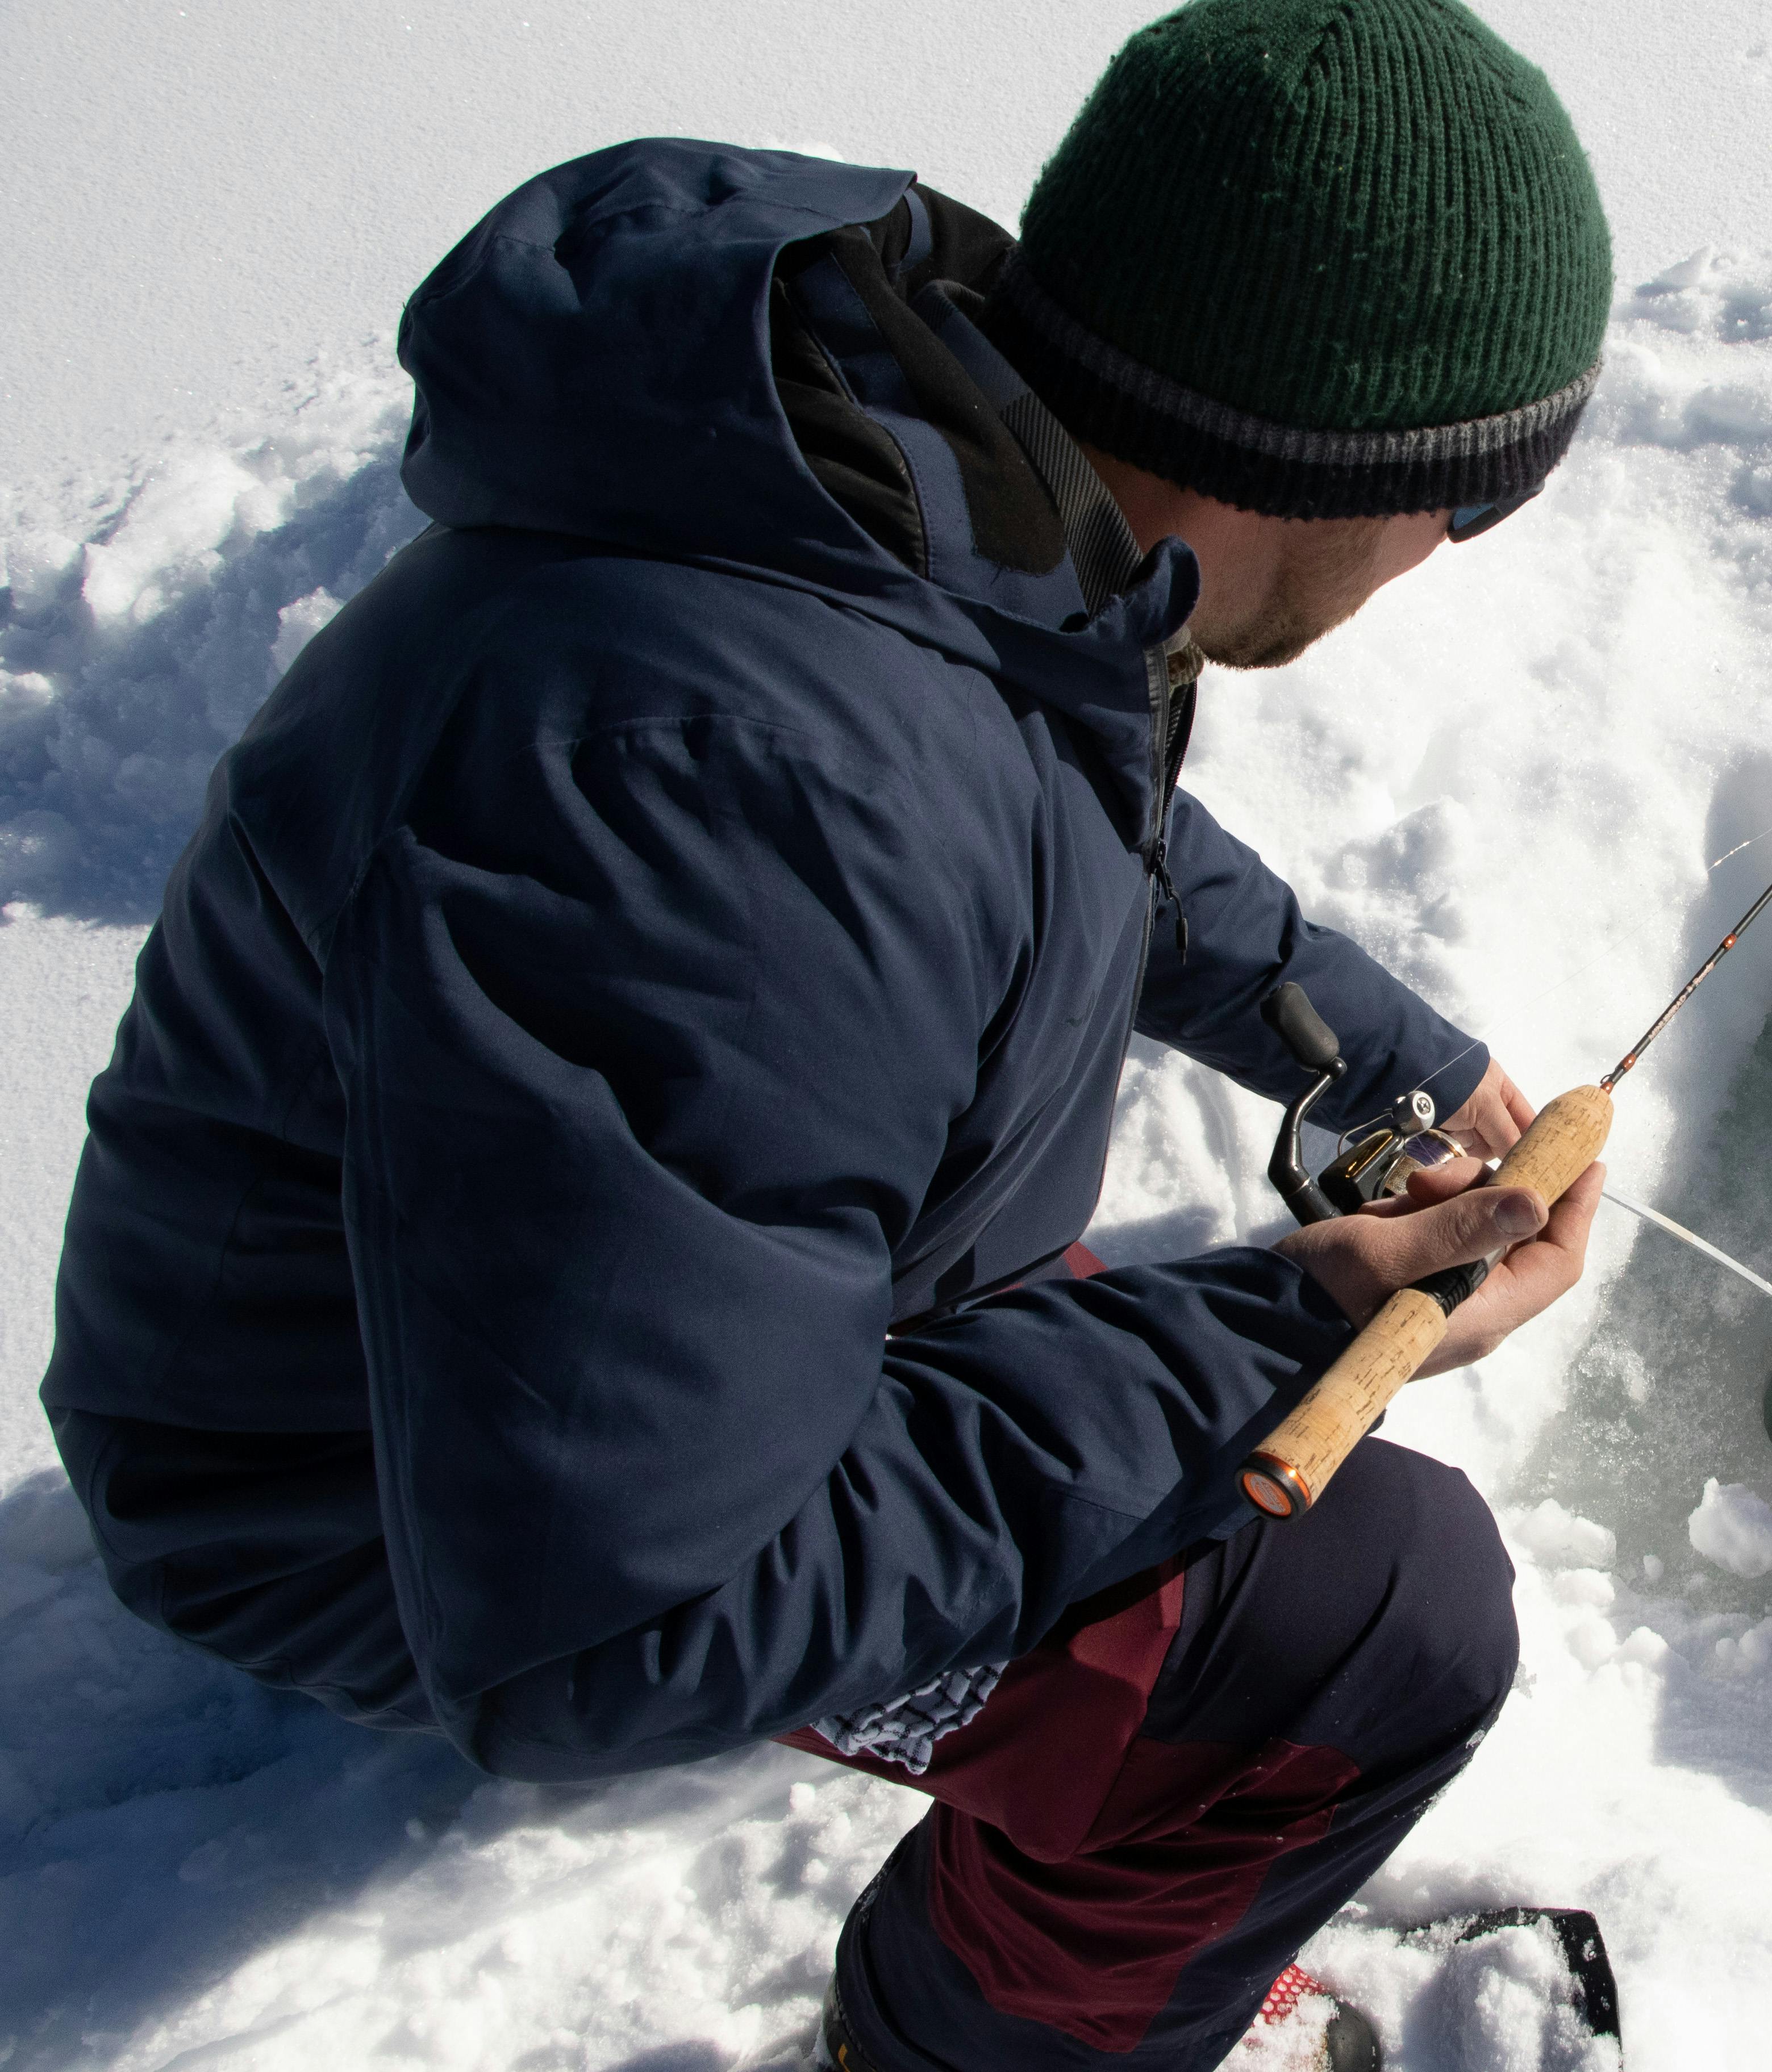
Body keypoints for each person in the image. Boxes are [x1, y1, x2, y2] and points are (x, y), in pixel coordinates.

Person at [38, 2, 1617, 2065]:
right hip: (393, 1508)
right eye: (1464, 503)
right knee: (1364, 1628)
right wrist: (1276, 1331)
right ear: (1336, 464)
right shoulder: (731, 793)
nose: (1443, 559)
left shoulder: (943, 490)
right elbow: (618, 1629)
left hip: (613, 1337)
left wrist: (1353, 1034)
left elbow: (1061, 818)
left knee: (1141, 1409)